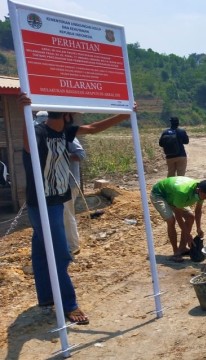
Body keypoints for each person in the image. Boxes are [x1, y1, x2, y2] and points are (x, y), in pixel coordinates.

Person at [19, 93, 136, 325]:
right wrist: (24, 113)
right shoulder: (39, 132)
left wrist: (124, 114)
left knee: (42, 251)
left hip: (55, 198)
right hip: (43, 202)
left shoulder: (65, 131)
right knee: (61, 254)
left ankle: (46, 298)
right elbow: (27, 144)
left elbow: (93, 128)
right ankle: (69, 305)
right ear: (67, 114)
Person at [35, 111, 85, 257]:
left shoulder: (65, 134)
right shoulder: (43, 135)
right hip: (54, 185)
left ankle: (72, 246)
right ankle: (61, 245)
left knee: (66, 215)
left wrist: (60, 154)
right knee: (57, 217)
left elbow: (81, 154)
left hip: (69, 182)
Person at [150, 176, 206, 262]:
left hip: (174, 196)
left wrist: (198, 228)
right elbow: (178, 215)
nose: (205, 198)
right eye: (205, 196)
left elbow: (198, 211)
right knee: (171, 220)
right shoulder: (183, 192)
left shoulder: (202, 191)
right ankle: (176, 252)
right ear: (198, 190)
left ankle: (182, 248)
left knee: (190, 217)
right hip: (159, 194)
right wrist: (187, 235)